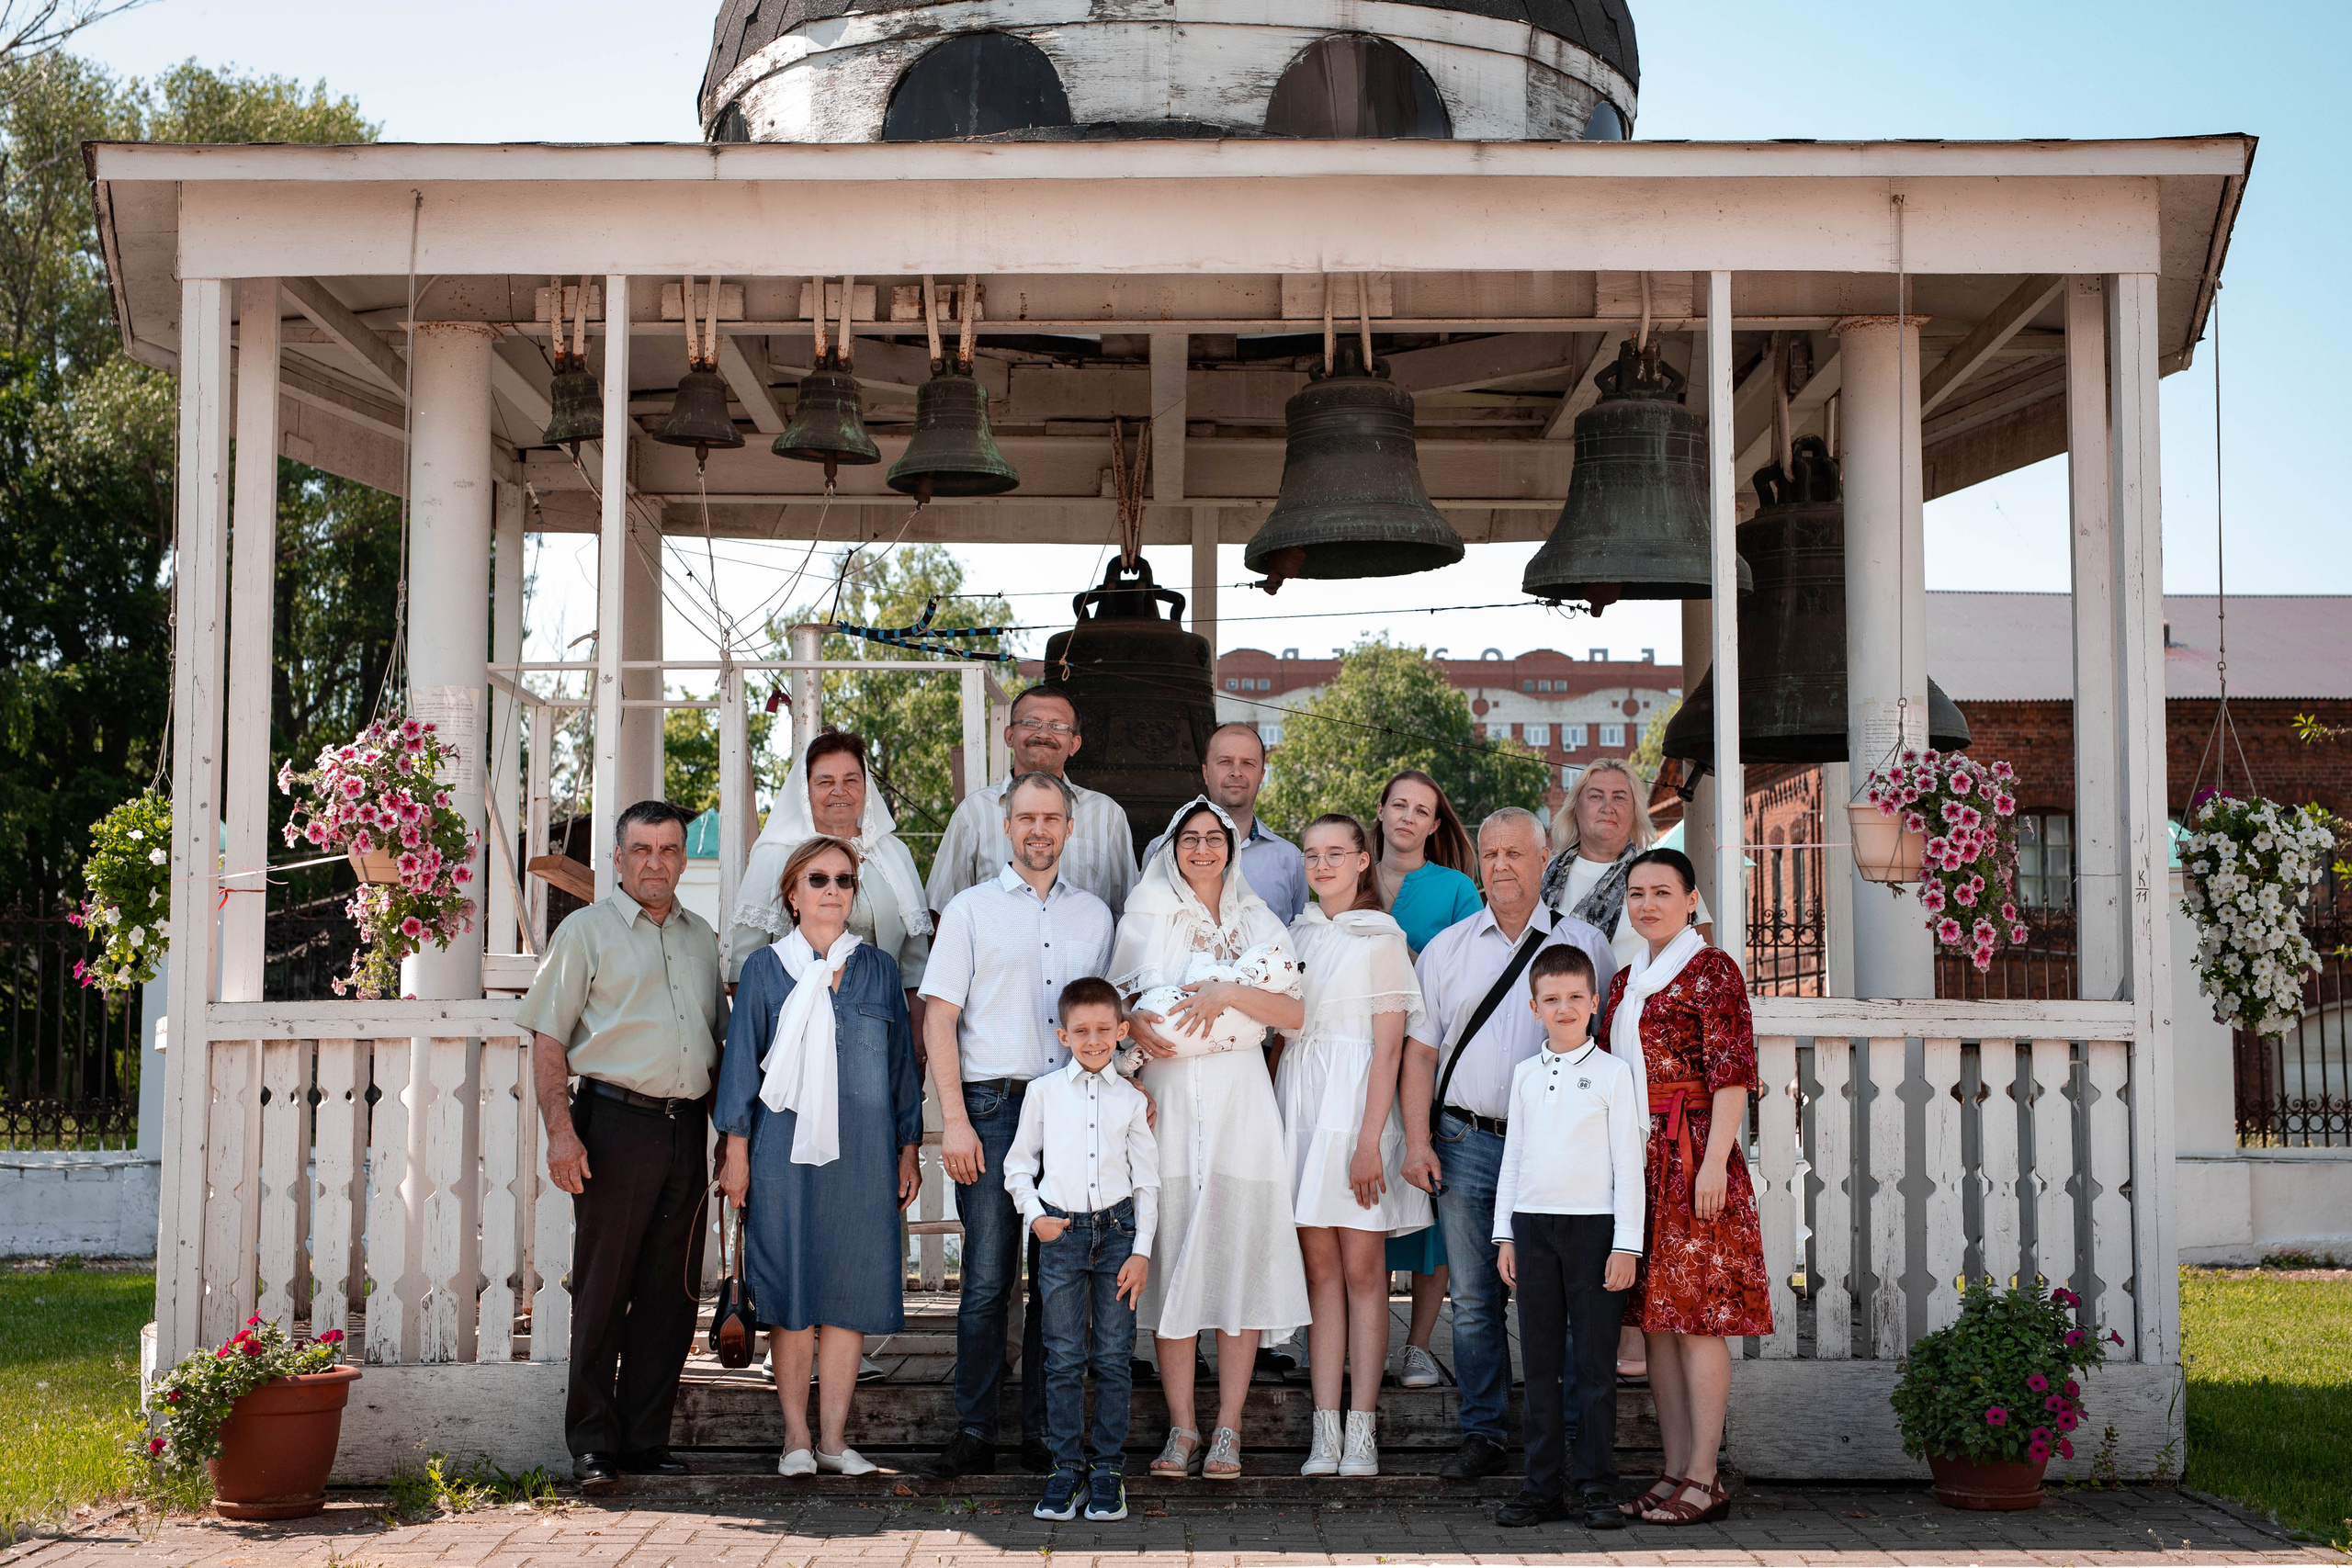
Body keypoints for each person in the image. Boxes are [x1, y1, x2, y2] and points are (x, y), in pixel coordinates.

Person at [515, 799, 726, 1494]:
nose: (656, 862)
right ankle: (592, 1444)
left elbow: (715, 1040)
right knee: (605, 1289)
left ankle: (643, 1439)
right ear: (618, 858)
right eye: (642, 849)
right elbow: (549, 1038)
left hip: (686, 1127)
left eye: (669, 849)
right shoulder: (585, 932)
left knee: (672, 1291)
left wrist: (729, 1139)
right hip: (614, 1123)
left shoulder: (702, 937)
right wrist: (560, 1131)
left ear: (683, 857)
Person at [1398, 807, 1615, 1482]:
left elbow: (1608, 1048)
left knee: (1571, 1298)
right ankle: (1485, 1430)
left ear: (1544, 856)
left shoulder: (1584, 945)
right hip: (1466, 1141)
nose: (1499, 867)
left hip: (1564, 1151)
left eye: (1514, 854)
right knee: (1473, 1298)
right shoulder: (1449, 949)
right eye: (1489, 854)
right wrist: (1416, 1139)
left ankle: (1579, 1440)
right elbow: (1419, 1054)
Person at [919, 773, 1118, 1480]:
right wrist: (953, 1120)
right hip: (992, 1109)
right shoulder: (971, 911)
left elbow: (1107, 1024)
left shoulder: (1095, 916)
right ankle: (975, 1427)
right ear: (1007, 827)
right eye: (1026, 817)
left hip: (1068, 1107)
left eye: (1052, 818)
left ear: (1070, 828)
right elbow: (939, 1015)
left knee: (1056, 1278)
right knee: (986, 1277)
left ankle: (1043, 1430)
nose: (1039, 828)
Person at [1114, 796, 1310, 1483]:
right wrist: (1133, 1040)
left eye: (1214, 838)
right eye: (1189, 837)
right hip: (1166, 1099)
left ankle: (1228, 1426)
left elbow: (1292, 1010)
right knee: (1168, 1258)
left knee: (1237, 1260)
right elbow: (1116, 1010)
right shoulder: (1144, 912)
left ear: (1231, 847)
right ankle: (1183, 1426)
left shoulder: (1259, 918)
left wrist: (1227, 992)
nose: (1203, 848)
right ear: (1171, 848)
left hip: (1239, 1100)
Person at [715, 835, 922, 1477]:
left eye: (844, 879)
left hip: (863, 1153)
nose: (833, 889)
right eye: (818, 879)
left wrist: (908, 1148)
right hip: (782, 1152)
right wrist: (736, 1152)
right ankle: (797, 1438)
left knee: (849, 1289)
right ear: (792, 892)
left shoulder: (880, 969)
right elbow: (740, 1068)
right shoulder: (764, 970)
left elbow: (899, 1070)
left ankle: (834, 1440)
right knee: (793, 1289)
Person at [1603, 847, 1771, 1527]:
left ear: (1692, 899)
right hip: (1640, 1159)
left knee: (1700, 1319)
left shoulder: (1711, 971)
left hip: (1696, 1152)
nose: (1647, 903)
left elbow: (1733, 1072)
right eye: (1637, 892)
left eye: (1662, 891)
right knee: (1658, 1322)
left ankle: (1706, 1475)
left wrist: (1713, 1165)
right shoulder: (1622, 981)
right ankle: (1673, 1471)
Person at [1536, 757, 1710, 1379]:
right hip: (1570, 1045)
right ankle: (1578, 1331)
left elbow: (1700, 952)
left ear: (1635, 809)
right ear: (1574, 807)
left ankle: (1631, 1336)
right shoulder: (1547, 875)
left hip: (1638, 1055)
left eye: (1620, 796)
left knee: (1631, 1196)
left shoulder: (1652, 874)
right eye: (1594, 795)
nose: (1607, 806)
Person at [1272, 813, 1430, 1479]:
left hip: (1356, 1111)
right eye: (1312, 854)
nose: (1323, 864)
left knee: (1365, 1272)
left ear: (1364, 860)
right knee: (1319, 1274)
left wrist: (1370, 1143)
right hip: (1302, 1107)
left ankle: (1363, 1428)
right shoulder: (1299, 931)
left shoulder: (1382, 937)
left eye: (1337, 853)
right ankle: (1325, 1428)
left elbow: (1389, 1047)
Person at [1491, 944, 1643, 1531]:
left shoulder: (1613, 1074)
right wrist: (1505, 1233)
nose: (1564, 1008)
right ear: (1534, 1007)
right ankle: (1540, 1488)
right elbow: (1515, 1157)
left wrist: (1626, 1244)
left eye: (1575, 997)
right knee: (1542, 1364)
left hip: (1595, 1233)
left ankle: (1598, 1487)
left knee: (1596, 1368)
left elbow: (1627, 1162)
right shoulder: (1526, 1076)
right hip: (1532, 1231)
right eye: (1551, 999)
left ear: (1595, 1004)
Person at [1005, 976, 1159, 1525]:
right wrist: (1036, 1216)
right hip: (1061, 1236)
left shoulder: (1130, 1099)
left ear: (1121, 1032)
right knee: (1064, 1356)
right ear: (1063, 1035)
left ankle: (1108, 1470)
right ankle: (1065, 1467)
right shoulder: (1044, 1092)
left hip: (1118, 1235)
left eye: (1103, 1030)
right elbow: (1018, 1163)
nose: (1093, 1040)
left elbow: (1147, 1182)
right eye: (1081, 1031)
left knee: (1114, 1356)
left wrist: (1141, 1250)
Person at [1370, 769, 1484, 1389]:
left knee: (1429, 1205)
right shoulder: (1351, 873)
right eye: (1400, 805)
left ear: (1436, 825)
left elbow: (1471, 976)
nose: (1409, 817)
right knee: (1358, 1201)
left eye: (1423, 810)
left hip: (1425, 1065)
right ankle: (1363, 1339)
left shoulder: (1457, 888)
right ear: (1381, 811)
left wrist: (1415, 966)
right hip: (1352, 1065)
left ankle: (1417, 1345)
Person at [732, 730, 932, 1023]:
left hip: (882, 1023)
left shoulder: (893, 854)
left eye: (851, 780)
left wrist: (917, 1039)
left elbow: (915, 965)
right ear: (805, 789)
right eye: (825, 782)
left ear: (866, 787)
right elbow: (744, 967)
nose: (839, 790)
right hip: (793, 1024)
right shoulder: (775, 855)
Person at [926, 685, 1139, 917]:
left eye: (1057, 726)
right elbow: (941, 909)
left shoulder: (1107, 814)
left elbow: (1131, 910)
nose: (1043, 734)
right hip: (996, 953)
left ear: (1074, 744)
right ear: (1009, 735)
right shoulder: (974, 811)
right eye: (1030, 722)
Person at [1141, 722, 1306, 924]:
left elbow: (1298, 942)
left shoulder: (1291, 859)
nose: (1236, 772)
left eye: (1248, 763)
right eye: (1225, 761)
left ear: (1261, 776)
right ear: (1205, 772)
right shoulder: (1161, 851)